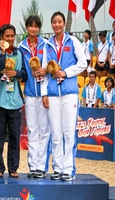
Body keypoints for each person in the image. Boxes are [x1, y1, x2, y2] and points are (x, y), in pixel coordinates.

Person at [42, 11, 86, 181]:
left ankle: (68, 169)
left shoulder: (73, 41)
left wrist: (66, 73)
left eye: (60, 22)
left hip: (69, 92)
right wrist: (45, 93)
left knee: (68, 132)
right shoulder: (48, 45)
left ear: (64, 23)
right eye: (54, 22)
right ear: (51, 24)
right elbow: (45, 71)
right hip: (53, 93)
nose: (57, 25)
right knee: (56, 132)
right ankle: (58, 168)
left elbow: (83, 64)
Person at [0, 24, 27, 178]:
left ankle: (13, 168)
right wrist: (2, 54)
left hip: (15, 102)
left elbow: (25, 75)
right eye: (7, 36)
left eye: (12, 35)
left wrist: (17, 73)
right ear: (1, 37)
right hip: (0, 101)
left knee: (14, 137)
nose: (10, 39)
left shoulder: (19, 53)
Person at [18, 15, 50, 179]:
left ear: (39, 28)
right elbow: (21, 70)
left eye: (36, 26)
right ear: (26, 27)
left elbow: (50, 67)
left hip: (44, 94)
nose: (33, 29)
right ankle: (33, 166)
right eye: (30, 26)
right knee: (32, 130)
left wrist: (44, 71)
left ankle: (42, 166)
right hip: (30, 93)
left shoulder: (45, 45)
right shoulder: (21, 46)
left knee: (44, 131)